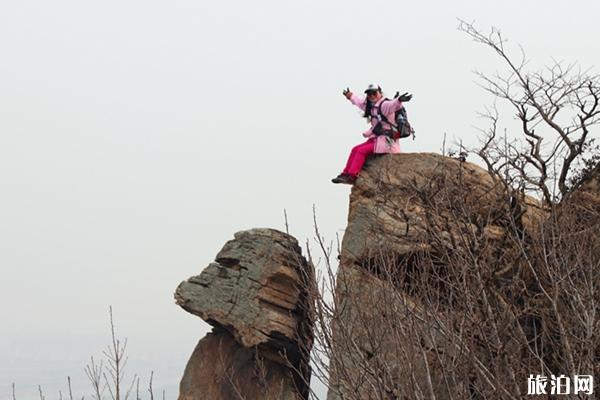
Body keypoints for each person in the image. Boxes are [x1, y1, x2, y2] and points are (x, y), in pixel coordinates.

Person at [332, 84, 412, 184]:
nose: (372, 95)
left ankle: (352, 176)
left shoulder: (384, 105)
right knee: (355, 149)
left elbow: (392, 105)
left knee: (361, 151)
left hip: (387, 142)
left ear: (380, 93)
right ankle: (345, 174)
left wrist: (399, 100)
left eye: (374, 93)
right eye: (369, 93)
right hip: (378, 138)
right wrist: (350, 96)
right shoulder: (371, 106)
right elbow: (360, 103)